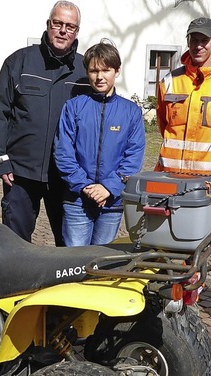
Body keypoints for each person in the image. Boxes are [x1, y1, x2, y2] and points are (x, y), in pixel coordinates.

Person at [0, 1, 89, 246]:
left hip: (66, 175)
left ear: (77, 32)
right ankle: (16, 284)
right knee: (15, 244)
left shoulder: (85, 71)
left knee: (69, 246)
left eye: (70, 26)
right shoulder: (19, 62)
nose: (63, 30)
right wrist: (0, 161)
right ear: (48, 25)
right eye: (58, 24)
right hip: (21, 173)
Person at [53, 39, 145, 246]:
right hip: (77, 200)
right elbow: (63, 152)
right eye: (94, 70)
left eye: (106, 70)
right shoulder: (73, 107)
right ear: (87, 72)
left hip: (111, 202)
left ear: (117, 71)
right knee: (74, 263)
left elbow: (133, 157)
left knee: (101, 262)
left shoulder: (131, 112)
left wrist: (108, 188)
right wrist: (85, 186)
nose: (100, 76)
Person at [154, 17, 211, 179]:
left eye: (204, 40)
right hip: (169, 175)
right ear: (188, 41)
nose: (198, 46)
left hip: (210, 179)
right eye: (194, 40)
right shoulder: (169, 81)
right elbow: (163, 125)